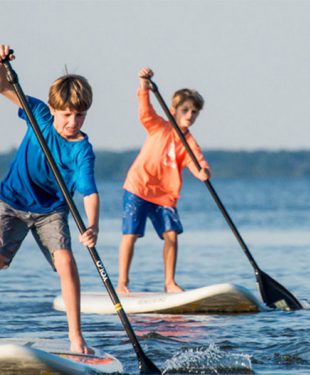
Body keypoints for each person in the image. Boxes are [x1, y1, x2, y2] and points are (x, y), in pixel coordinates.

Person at [0, 45, 98, 354]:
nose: (73, 121)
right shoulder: (39, 113)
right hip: (11, 201)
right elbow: (3, 85)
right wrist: (1, 63)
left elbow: (89, 192)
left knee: (66, 262)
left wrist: (92, 226)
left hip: (51, 211)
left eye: (79, 115)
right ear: (54, 109)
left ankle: (76, 337)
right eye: (67, 114)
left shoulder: (82, 149)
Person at [117, 67, 211, 295]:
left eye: (194, 112)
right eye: (185, 110)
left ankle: (170, 282)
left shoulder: (188, 141)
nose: (190, 115)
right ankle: (122, 283)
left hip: (164, 196)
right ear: (174, 111)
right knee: (131, 235)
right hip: (139, 187)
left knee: (171, 235)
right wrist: (144, 84)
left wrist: (204, 172)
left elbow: (198, 164)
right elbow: (145, 110)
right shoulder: (159, 126)